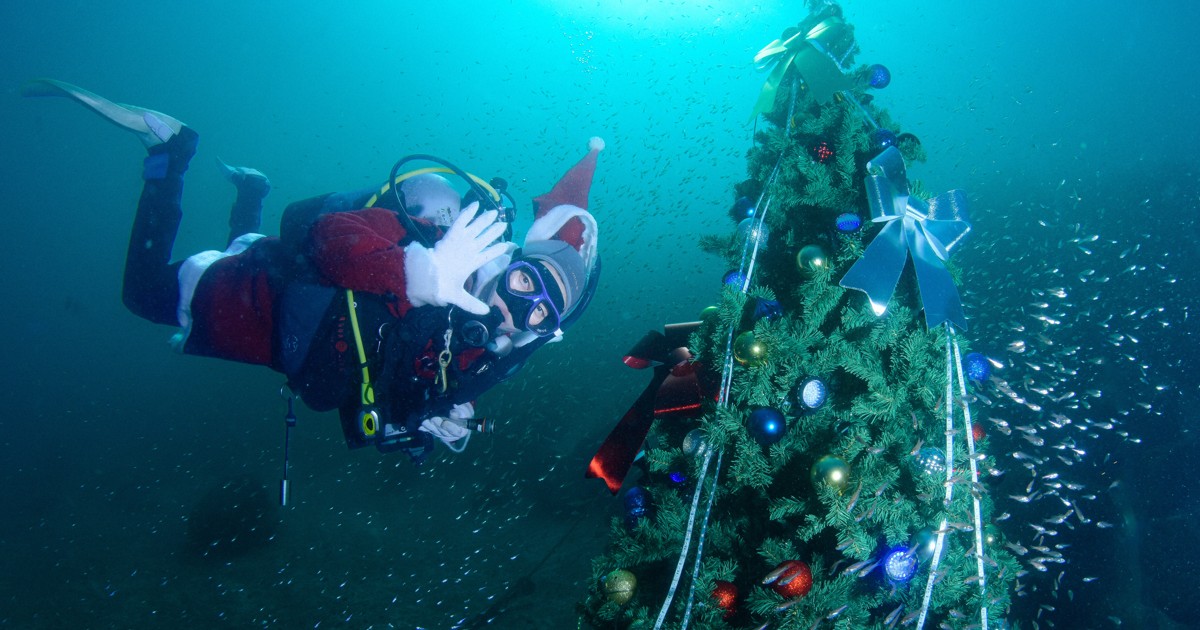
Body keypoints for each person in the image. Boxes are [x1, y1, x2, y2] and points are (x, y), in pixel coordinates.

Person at [24, 79, 602, 462]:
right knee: (142, 294)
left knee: (244, 241)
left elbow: (389, 375)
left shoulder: (487, 353)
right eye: (526, 281)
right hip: (254, 300)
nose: (516, 307)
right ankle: (172, 152)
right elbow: (330, 236)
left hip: (285, 331)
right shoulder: (443, 238)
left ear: (545, 331)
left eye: (539, 309)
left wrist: (433, 417)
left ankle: (250, 188)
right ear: (516, 262)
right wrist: (413, 270)